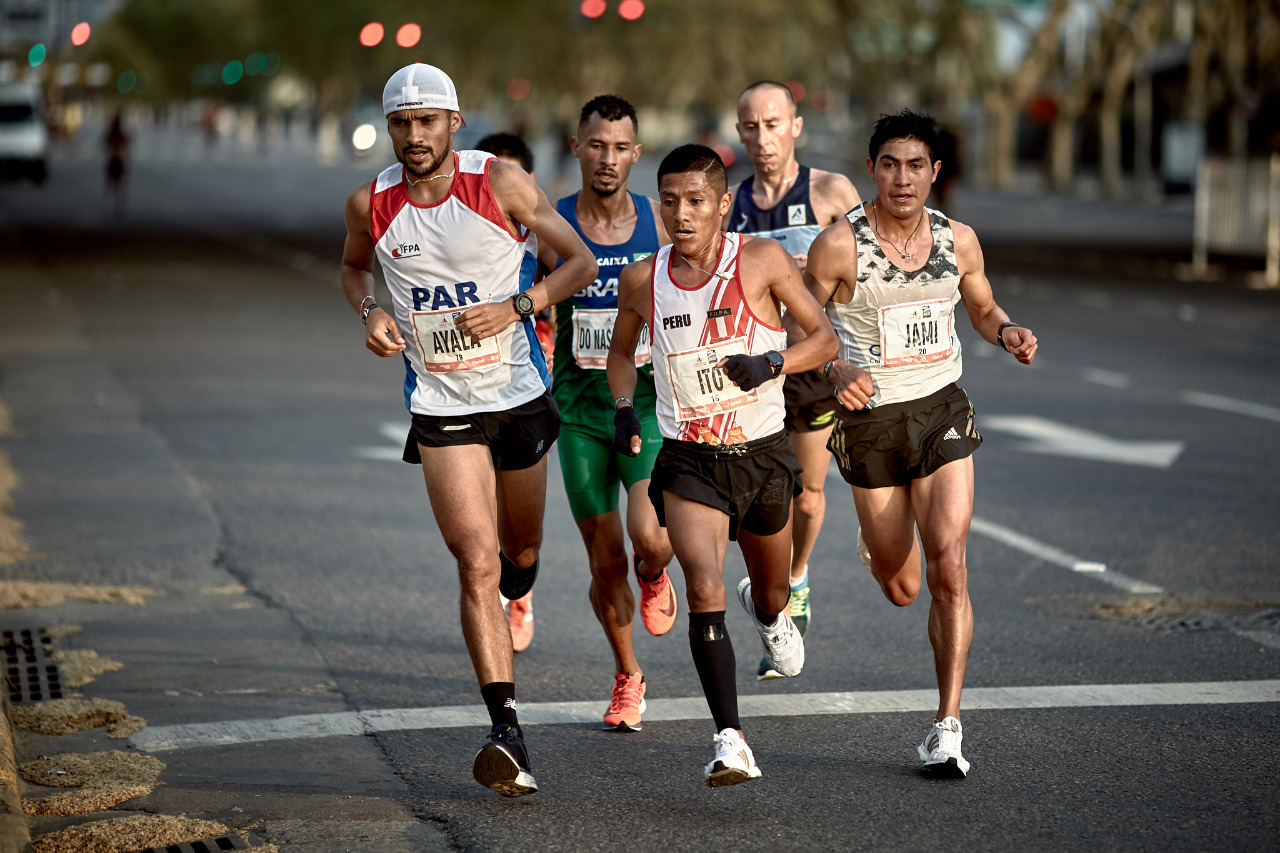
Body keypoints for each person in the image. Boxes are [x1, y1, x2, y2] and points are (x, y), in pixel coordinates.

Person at [340, 64, 596, 797]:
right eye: (401, 123)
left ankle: (523, 587)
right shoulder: (371, 202)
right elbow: (355, 269)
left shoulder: (503, 184)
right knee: (475, 560)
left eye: (428, 121)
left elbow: (575, 260)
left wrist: (520, 305)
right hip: (440, 402)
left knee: (520, 551)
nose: (414, 136)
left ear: (455, 123)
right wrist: (371, 313)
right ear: (390, 129)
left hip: (517, 395)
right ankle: (505, 729)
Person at [804, 110, 1038, 778]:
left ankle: (947, 724)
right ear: (871, 168)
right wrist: (835, 367)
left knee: (950, 566)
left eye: (916, 166)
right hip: (871, 421)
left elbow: (984, 307)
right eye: (888, 164)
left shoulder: (957, 240)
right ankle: (882, 544)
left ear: (935, 172)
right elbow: (806, 322)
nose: (902, 178)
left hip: (941, 410)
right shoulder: (838, 247)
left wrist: (1008, 330)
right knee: (903, 585)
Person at [608, 144, 838, 785]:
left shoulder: (759, 261)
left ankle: (770, 614)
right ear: (659, 206)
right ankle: (730, 739)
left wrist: (771, 364)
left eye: (697, 202)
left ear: (722, 205)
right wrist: (626, 408)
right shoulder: (641, 279)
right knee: (704, 586)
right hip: (688, 460)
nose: (683, 215)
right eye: (672, 202)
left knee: (768, 591)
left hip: (763, 456)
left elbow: (824, 338)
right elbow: (622, 356)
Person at [538, 95, 678, 732]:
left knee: (649, 538)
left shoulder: (660, 221)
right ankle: (628, 676)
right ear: (576, 147)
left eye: (621, 148)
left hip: (646, 409)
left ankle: (655, 570)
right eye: (597, 145)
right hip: (578, 414)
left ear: (636, 154)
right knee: (602, 558)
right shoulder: (552, 222)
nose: (608, 159)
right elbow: (520, 294)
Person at [727, 82, 862, 678]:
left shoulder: (831, 192)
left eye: (773, 124)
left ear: (796, 127)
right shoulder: (731, 205)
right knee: (755, 499)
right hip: (754, 370)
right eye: (751, 127)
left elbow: (869, 268)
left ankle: (796, 577)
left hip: (812, 366)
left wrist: (821, 266)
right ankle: (771, 596)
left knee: (808, 497)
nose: (763, 138)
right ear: (740, 133)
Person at [474, 130, 548, 655]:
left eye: (514, 175)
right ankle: (506, 598)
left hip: (539, 385)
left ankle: (518, 581)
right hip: (473, 390)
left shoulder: (546, 232)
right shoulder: (461, 229)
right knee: (486, 503)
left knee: (522, 521)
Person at [105, 108, 129, 212]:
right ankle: (117, 200)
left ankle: (115, 199)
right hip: (118, 160)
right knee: (118, 182)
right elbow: (126, 148)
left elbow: (105, 146)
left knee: (113, 181)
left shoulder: (112, 134)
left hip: (113, 159)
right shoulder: (121, 135)